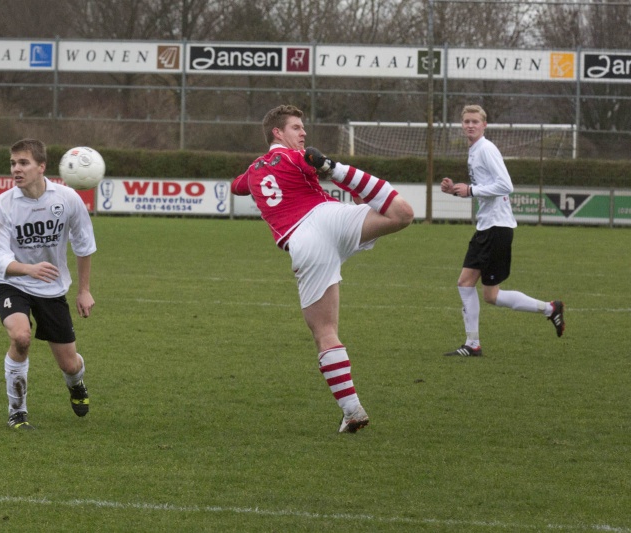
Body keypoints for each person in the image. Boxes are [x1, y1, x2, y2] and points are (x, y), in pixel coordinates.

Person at [231, 104, 414, 433]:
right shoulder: (295, 157)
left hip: (303, 239)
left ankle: (352, 409)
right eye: (296, 128)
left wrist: (250, 177)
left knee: (325, 333)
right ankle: (338, 168)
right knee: (401, 213)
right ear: (277, 132)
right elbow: (303, 164)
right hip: (329, 219)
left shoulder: (256, 169)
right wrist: (327, 167)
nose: (303, 134)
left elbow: (237, 186)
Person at [0, 138, 97, 429]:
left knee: (69, 364)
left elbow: (84, 245)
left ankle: (76, 383)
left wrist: (84, 290)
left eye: (23, 163)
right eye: (13, 163)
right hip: (12, 282)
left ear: (41, 167)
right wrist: (28, 269)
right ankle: (17, 412)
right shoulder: (1, 205)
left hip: (51, 286)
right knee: (20, 337)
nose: (16, 169)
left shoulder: (67, 199)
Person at [440, 104, 565, 357]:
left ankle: (550, 308)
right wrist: (458, 190)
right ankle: (472, 344)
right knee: (468, 285)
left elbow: (506, 185)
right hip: (487, 226)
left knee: (490, 295)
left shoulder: (486, 149)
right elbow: (486, 188)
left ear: (484, 124)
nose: (470, 125)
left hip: (497, 228)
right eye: (466, 121)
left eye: (475, 121)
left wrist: (472, 190)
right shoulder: (474, 150)